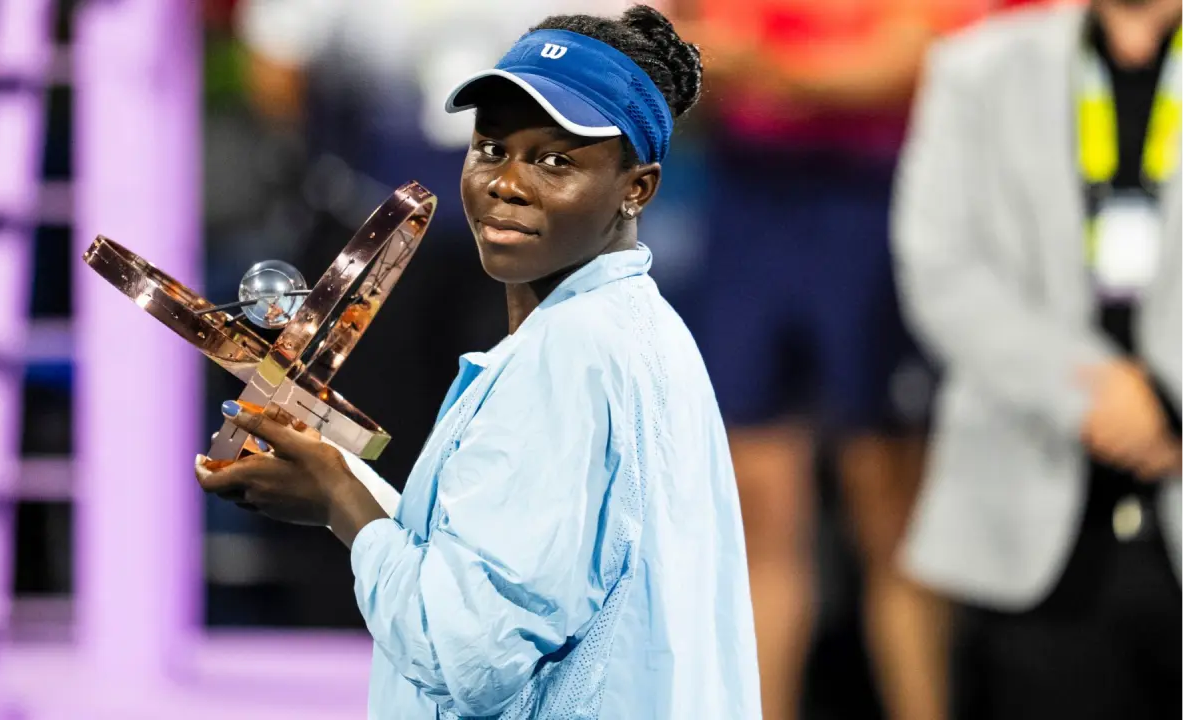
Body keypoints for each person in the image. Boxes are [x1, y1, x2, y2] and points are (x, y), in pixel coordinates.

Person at [194, 6, 763, 718]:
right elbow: (509, 566)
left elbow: (464, 653)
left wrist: (341, 504)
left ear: (637, 188)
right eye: (492, 148)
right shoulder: (636, 329)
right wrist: (337, 480)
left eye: (555, 160)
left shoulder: (569, 357)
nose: (507, 183)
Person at [667, 2, 995, 718]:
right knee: (754, 509)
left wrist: (763, 67)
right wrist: (797, 72)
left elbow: (909, 64)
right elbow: (678, 56)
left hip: (872, 204)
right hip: (747, 205)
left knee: (890, 507)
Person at [894, 0, 1183, 718]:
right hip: (1030, 520)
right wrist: (1095, 396)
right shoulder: (976, 67)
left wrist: (1171, 402)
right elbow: (940, 268)